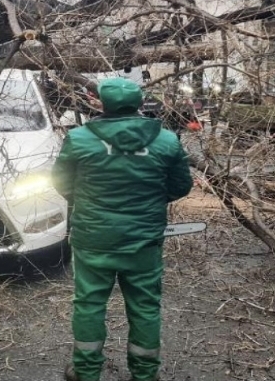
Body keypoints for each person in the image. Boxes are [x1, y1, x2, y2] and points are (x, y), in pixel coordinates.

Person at [52, 78, 193, 381]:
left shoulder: (79, 138)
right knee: (145, 306)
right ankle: (144, 374)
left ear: (101, 104)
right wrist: (151, 200)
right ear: (141, 103)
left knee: (89, 304)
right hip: (143, 241)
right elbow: (181, 186)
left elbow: (61, 183)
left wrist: (88, 203)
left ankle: (86, 372)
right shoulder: (167, 140)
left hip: (94, 238)